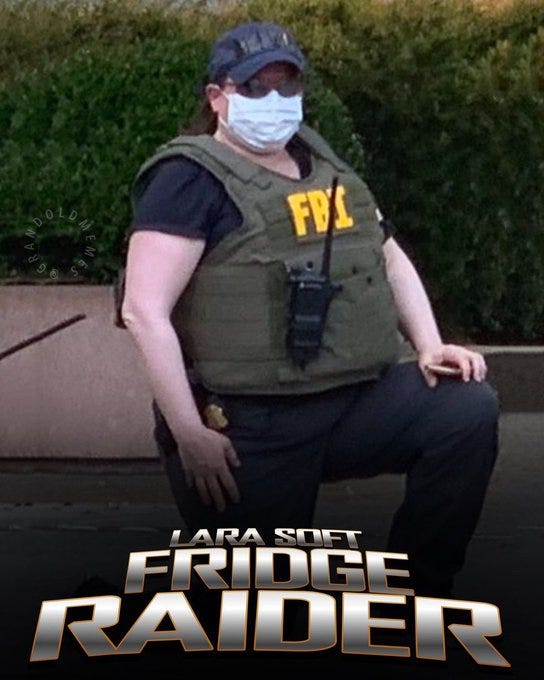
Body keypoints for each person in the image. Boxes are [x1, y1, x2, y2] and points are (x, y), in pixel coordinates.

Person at [119, 21, 499, 598]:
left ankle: (418, 591)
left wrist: (428, 344)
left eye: (287, 85)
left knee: (465, 408)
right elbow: (143, 311)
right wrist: (190, 434)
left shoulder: (320, 160)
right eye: (255, 87)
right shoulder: (187, 180)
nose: (274, 100)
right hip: (251, 425)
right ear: (218, 97)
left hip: (351, 400)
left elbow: (387, 254)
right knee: (260, 611)